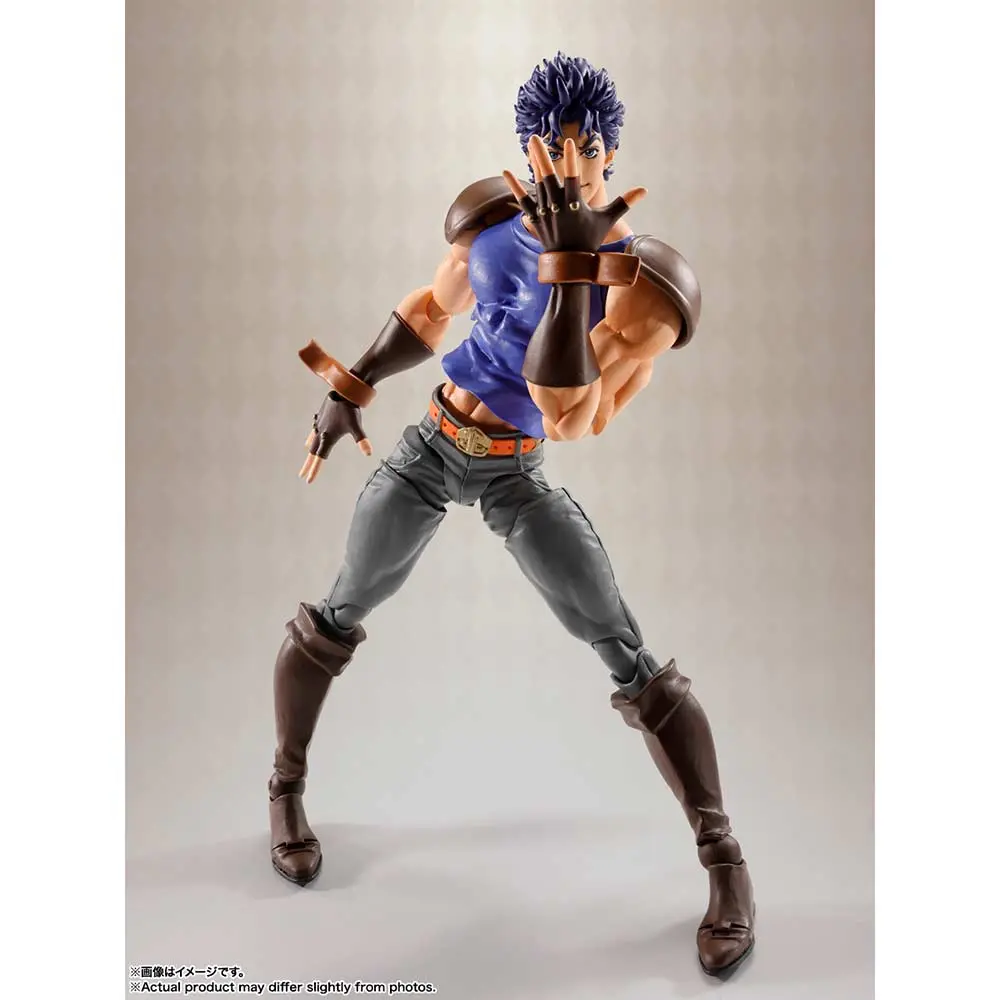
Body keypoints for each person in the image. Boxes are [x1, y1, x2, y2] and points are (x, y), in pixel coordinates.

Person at [267, 52, 755, 977]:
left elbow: (567, 415)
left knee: (626, 649)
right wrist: (352, 386)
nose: (569, 164)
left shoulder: (642, 287)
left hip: (516, 472)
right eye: (550, 146)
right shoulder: (491, 220)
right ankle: (284, 788)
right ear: (526, 149)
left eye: (587, 148)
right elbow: (430, 309)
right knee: (339, 609)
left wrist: (572, 270)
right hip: (431, 445)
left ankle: (726, 863)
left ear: (611, 152)